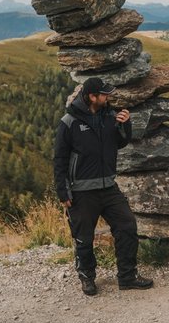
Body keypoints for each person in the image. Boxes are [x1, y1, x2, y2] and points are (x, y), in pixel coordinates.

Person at [54, 76, 154, 295]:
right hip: (81, 191)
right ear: (92, 97)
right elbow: (59, 160)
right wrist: (63, 192)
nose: (108, 97)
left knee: (127, 226)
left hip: (108, 186)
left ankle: (127, 277)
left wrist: (124, 124)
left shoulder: (108, 115)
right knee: (84, 237)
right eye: (104, 94)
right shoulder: (69, 122)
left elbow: (119, 143)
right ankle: (87, 278)